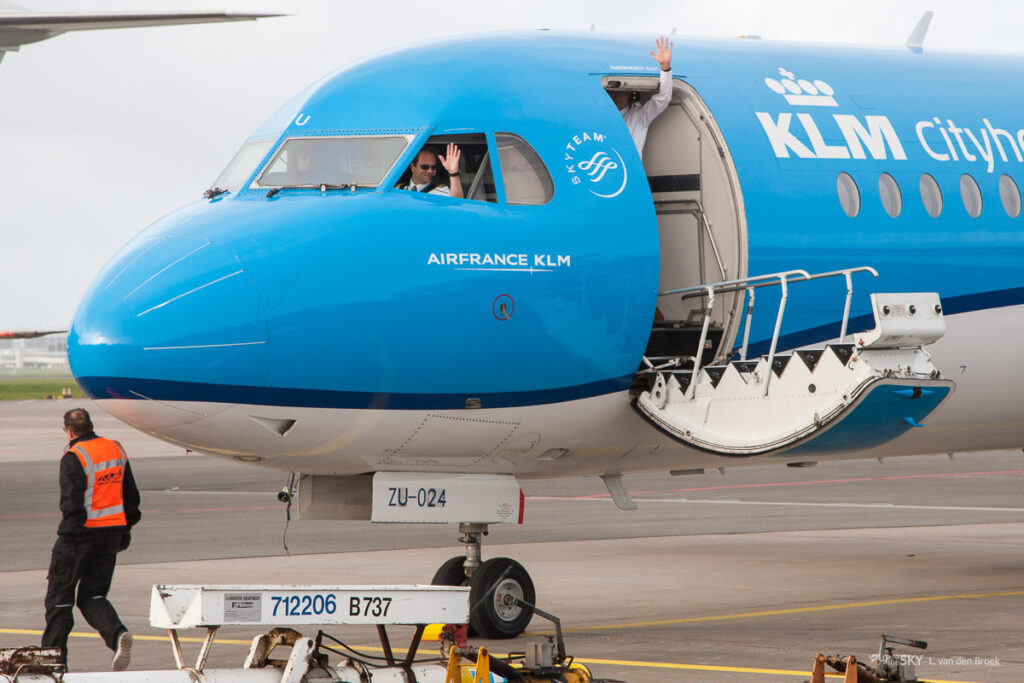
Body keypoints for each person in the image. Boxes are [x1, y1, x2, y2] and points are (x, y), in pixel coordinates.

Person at [42, 408, 141, 671]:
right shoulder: (115, 449)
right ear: (92, 426)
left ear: (69, 431)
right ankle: (117, 634)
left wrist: (66, 540)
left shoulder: (74, 456)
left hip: (80, 536)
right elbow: (131, 497)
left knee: (60, 600)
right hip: (111, 535)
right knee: (93, 595)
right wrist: (124, 528)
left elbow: (72, 505)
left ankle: (53, 663)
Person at [610, 36, 673, 158]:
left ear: (629, 94)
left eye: (622, 92)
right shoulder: (602, 119)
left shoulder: (638, 118)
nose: (617, 96)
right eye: (613, 92)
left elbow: (663, 99)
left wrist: (665, 68)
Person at [398, 143, 464, 197]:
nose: (430, 171)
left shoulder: (440, 191)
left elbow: (457, 203)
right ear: (413, 166)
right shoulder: (398, 189)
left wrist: (453, 173)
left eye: (433, 167)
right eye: (425, 167)